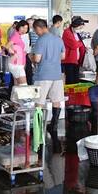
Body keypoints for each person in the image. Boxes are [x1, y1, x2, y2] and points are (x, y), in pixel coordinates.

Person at [29, 18, 67, 150]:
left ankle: (38, 130)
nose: (35, 32)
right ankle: (54, 125)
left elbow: (37, 59)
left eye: (35, 30)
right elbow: (63, 57)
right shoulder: (58, 39)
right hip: (56, 74)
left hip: (43, 75)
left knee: (39, 102)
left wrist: (31, 57)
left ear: (39, 28)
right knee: (56, 101)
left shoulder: (40, 40)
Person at [62, 16, 88, 84]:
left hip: (76, 61)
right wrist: (80, 43)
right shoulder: (67, 32)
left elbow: (79, 44)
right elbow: (74, 45)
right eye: (80, 27)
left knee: (76, 80)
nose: (80, 29)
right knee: (70, 80)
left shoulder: (76, 33)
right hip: (69, 60)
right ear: (75, 25)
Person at [5, 20, 29, 86]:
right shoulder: (16, 35)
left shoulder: (19, 36)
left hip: (17, 64)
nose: (25, 29)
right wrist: (13, 53)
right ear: (19, 27)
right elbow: (7, 46)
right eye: (23, 27)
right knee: (23, 87)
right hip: (16, 64)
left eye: (26, 28)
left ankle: (13, 96)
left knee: (17, 87)